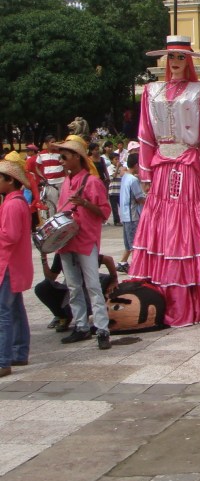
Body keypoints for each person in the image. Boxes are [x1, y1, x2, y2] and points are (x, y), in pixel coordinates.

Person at [129, 36, 200, 327]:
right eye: (172, 57)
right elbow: (145, 133)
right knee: (162, 224)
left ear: (189, 60)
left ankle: (198, 297)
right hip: (161, 169)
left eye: (182, 57)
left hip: (188, 166)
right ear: (165, 60)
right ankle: (160, 296)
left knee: (189, 223)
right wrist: (144, 173)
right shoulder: (151, 91)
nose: (176, 62)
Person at [54, 135, 113, 350]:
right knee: (73, 286)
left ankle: (102, 329)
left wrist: (85, 204)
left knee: (93, 286)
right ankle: (81, 326)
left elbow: (104, 212)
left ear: (76, 158)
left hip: (86, 240)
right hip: (66, 240)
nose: (61, 161)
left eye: (64, 157)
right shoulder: (66, 183)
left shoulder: (92, 181)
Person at [0, 153, 33, 376]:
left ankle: (3, 360)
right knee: (15, 309)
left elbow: (9, 236)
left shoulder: (12, 204)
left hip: (8, 264)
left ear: (10, 180)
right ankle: (19, 352)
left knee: (4, 312)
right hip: (15, 264)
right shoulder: (17, 201)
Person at [35, 252, 118, 331]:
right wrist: (44, 258)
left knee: (73, 305)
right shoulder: (61, 254)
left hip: (89, 286)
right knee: (42, 287)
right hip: (73, 287)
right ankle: (63, 316)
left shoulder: (79, 251)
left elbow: (108, 259)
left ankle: (86, 322)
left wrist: (114, 280)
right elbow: (50, 277)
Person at [118, 154, 145, 273]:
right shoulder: (133, 180)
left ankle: (123, 262)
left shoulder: (125, 176)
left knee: (129, 241)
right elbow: (139, 198)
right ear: (136, 165)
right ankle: (137, 268)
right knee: (135, 243)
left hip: (125, 214)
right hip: (132, 215)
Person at [102, 141, 121, 225]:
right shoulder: (110, 167)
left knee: (122, 206)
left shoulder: (122, 167)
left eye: (118, 159)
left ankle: (123, 219)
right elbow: (113, 176)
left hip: (120, 190)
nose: (117, 161)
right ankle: (116, 221)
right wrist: (117, 168)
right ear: (111, 160)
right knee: (114, 208)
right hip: (113, 191)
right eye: (115, 159)